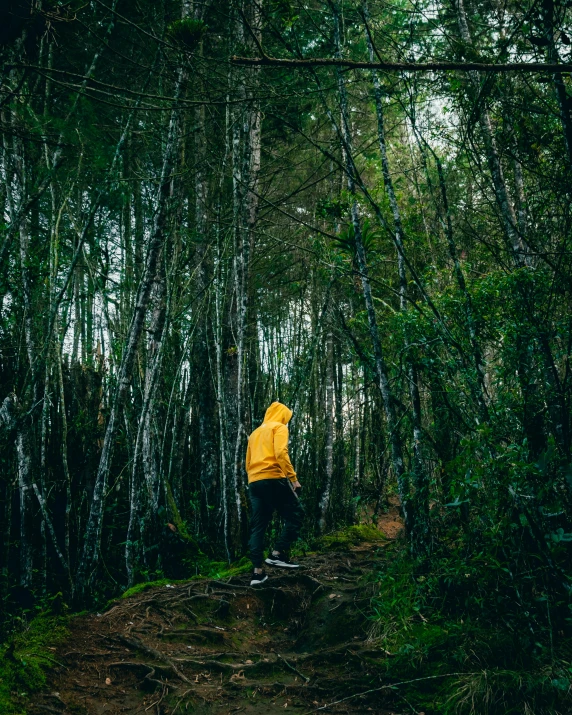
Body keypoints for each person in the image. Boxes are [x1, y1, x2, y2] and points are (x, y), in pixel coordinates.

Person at [245, 401, 303, 585]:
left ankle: (257, 573)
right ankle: (277, 554)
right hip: (273, 477)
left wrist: (255, 478)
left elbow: (248, 462)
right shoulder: (279, 428)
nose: (286, 421)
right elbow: (280, 453)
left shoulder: (254, 433)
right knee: (296, 515)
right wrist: (293, 479)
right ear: (283, 416)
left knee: (259, 526)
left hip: (254, 481)